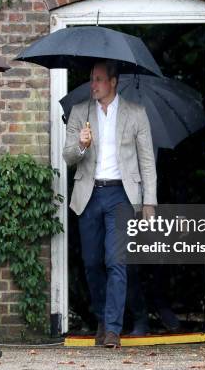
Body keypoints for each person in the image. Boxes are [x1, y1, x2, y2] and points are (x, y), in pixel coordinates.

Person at [63, 60, 157, 348]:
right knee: (92, 263)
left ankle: (113, 329)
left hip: (121, 196)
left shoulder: (136, 114)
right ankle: (103, 318)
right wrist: (81, 144)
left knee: (116, 261)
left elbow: (146, 161)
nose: (93, 85)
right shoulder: (80, 112)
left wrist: (149, 202)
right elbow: (68, 157)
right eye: (92, 79)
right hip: (89, 195)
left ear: (113, 82)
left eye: (99, 79)